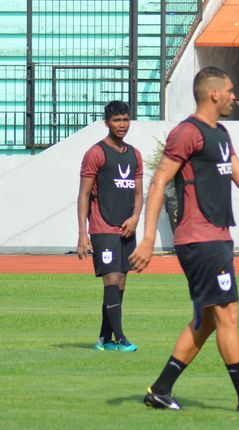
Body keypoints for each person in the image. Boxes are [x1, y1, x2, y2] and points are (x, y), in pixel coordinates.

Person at [128, 66, 239, 413]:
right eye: (229, 90)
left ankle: (161, 389)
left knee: (208, 319)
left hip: (216, 237)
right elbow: (159, 183)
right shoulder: (187, 133)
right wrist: (148, 237)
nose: (233, 96)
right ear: (213, 93)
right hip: (200, 239)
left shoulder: (221, 133)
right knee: (228, 314)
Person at [77, 100, 142, 352]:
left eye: (125, 119)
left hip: (127, 228)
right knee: (111, 280)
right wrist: (83, 233)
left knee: (122, 282)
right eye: (116, 120)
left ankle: (105, 340)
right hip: (103, 227)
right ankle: (121, 338)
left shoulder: (134, 154)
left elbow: (138, 193)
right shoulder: (96, 153)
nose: (122, 125)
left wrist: (136, 217)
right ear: (107, 123)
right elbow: (83, 194)